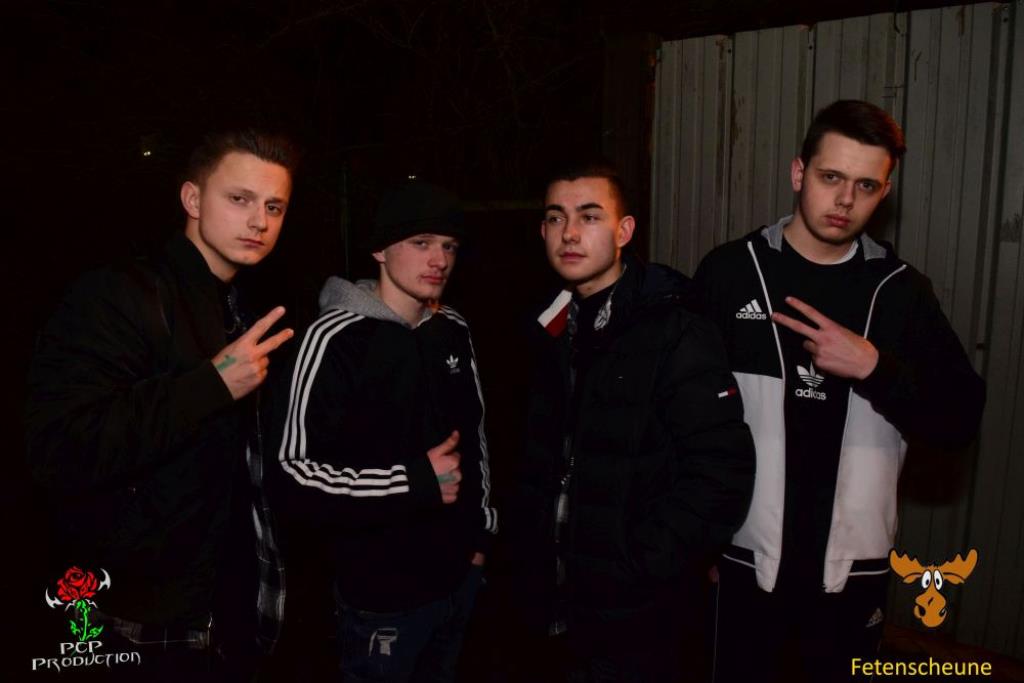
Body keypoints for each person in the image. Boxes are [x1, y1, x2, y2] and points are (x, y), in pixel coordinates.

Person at [693, 100, 986, 682]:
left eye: (866, 185)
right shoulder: (730, 272)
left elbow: (960, 421)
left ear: (885, 193)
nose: (846, 199)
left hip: (850, 576)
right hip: (742, 562)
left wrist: (875, 368)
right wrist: (695, 541)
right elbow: (682, 420)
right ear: (798, 173)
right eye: (831, 177)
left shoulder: (901, 293)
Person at [25, 129, 299, 679]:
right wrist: (210, 385)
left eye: (274, 207)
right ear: (193, 199)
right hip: (133, 615)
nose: (259, 222)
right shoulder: (119, 293)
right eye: (239, 199)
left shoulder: (244, 305)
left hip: (227, 608)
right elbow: (61, 447)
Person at [506, 161, 756, 681]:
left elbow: (721, 471)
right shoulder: (543, 328)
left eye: (589, 216)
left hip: (638, 619)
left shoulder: (675, 330)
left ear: (624, 232)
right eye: (556, 217)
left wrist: (642, 566)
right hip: (550, 608)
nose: (569, 233)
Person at [264, 180, 496, 682]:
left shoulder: (452, 327)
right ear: (380, 250)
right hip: (379, 594)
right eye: (421, 242)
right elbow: (290, 474)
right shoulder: (332, 339)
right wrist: (414, 481)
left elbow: (476, 435)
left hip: (458, 579)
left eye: (449, 246)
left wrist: (481, 537)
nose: (439, 260)